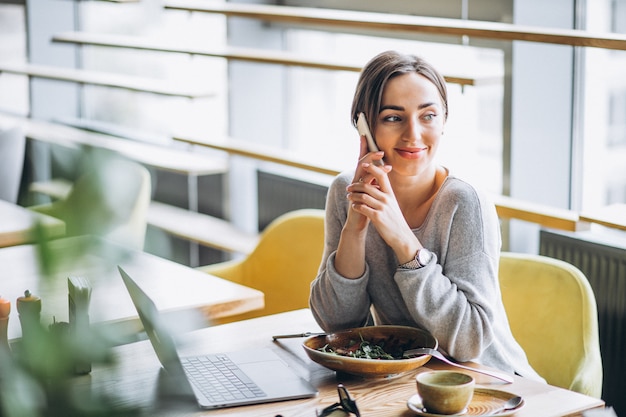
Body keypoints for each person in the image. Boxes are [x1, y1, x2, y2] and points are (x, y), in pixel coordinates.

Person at [309, 50, 543, 380]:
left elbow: (468, 342)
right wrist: (355, 229)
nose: (414, 135)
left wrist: (404, 241)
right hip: (407, 382)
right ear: (364, 126)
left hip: (491, 384)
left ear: (444, 120)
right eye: (393, 117)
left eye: (428, 115)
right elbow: (336, 325)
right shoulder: (347, 191)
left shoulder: (464, 202)